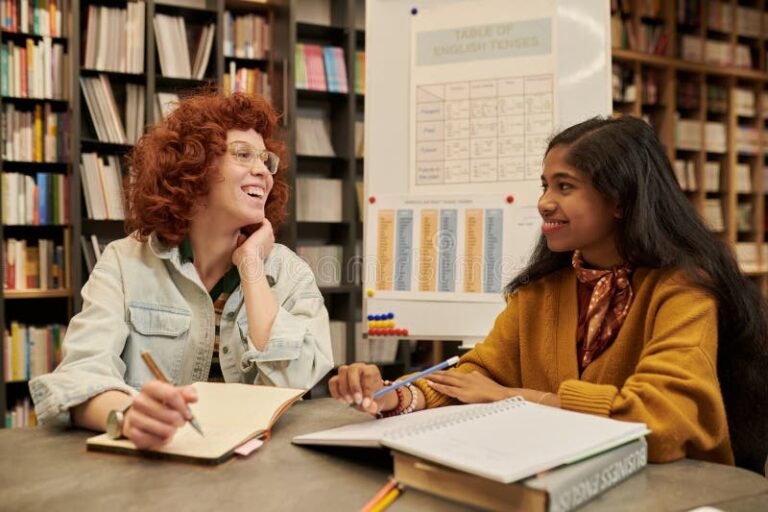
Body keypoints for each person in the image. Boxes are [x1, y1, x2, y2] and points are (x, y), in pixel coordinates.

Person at [330, 116, 768, 473]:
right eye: (544, 185)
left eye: (564, 186)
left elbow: (662, 418)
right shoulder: (541, 293)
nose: (543, 201)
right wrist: (394, 396)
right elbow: (475, 377)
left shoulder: (684, 290)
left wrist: (516, 399)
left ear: (619, 200)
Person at [30, 92, 334, 449]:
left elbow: (295, 383)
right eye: (242, 154)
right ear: (195, 167)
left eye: (266, 160)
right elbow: (80, 376)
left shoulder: (290, 273)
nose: (261, 171)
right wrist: (128, 414)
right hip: (152, 471)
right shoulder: (123, 263)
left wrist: (251, 266)